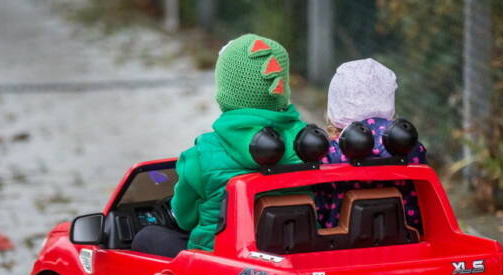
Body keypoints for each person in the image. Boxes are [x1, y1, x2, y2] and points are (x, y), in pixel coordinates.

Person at [131, 34, 309, 257]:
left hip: (218, 261)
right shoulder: (308, 145)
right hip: (291, 254)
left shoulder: (201, 156)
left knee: (147, 237)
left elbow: (184, 219)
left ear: (227, 90)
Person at [316, 58, 427, 231]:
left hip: (341, 244)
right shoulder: (410, 148)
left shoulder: (331, 153)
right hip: (405, 239)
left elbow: (320, 206)